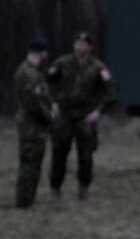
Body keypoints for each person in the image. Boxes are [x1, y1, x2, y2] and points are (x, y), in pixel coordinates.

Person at [47, 31, 116, 201]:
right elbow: (46, 82)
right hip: (64, 114)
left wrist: (98, 111)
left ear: (90, 47)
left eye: (84, 44)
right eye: (77, 43)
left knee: (86, 154)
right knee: (59, 152)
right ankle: (55, 187)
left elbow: (111, 92)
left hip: (85, 116)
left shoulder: (98, 67)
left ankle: (83, 188)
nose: (79, 46)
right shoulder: (62, 63)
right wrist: (52, 103)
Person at [15, 37, 58, 208]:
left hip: (35, 126)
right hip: (31, 126)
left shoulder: (33, 72)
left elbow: (41, 95)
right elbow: (32, 102)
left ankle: (27, 199)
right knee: (29, 164)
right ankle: (24, 201)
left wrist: (51, 105)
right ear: (42, 53)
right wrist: (49, 115)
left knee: (33, 163)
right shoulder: (28, 73)